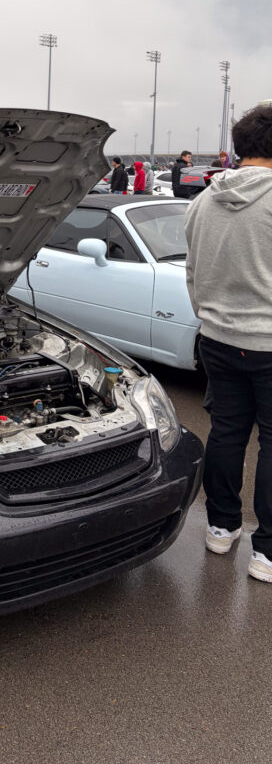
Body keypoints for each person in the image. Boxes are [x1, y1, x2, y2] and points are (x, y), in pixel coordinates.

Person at [185, 103, 272, 583]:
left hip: (216, 337)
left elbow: (192, 272)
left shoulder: (202, 201)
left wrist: (209, 316)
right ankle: (268, 553)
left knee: (227, 432)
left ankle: (220, 526)